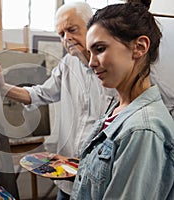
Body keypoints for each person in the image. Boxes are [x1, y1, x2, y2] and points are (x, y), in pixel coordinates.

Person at [0, 2, 115, 199]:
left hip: (99, 180)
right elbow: (39, 93)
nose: (66, 38)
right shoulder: (68, 64)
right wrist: (3, 88)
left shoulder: (113, 66)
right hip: (66, 177)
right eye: (61, 34)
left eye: (72, 29)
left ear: (93, 26)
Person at [71, 2, 174, 199]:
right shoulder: (118, 108)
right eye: (90, 52)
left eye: (99, 49)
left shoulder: (143, 130)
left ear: (139, 47)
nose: (91, 62)